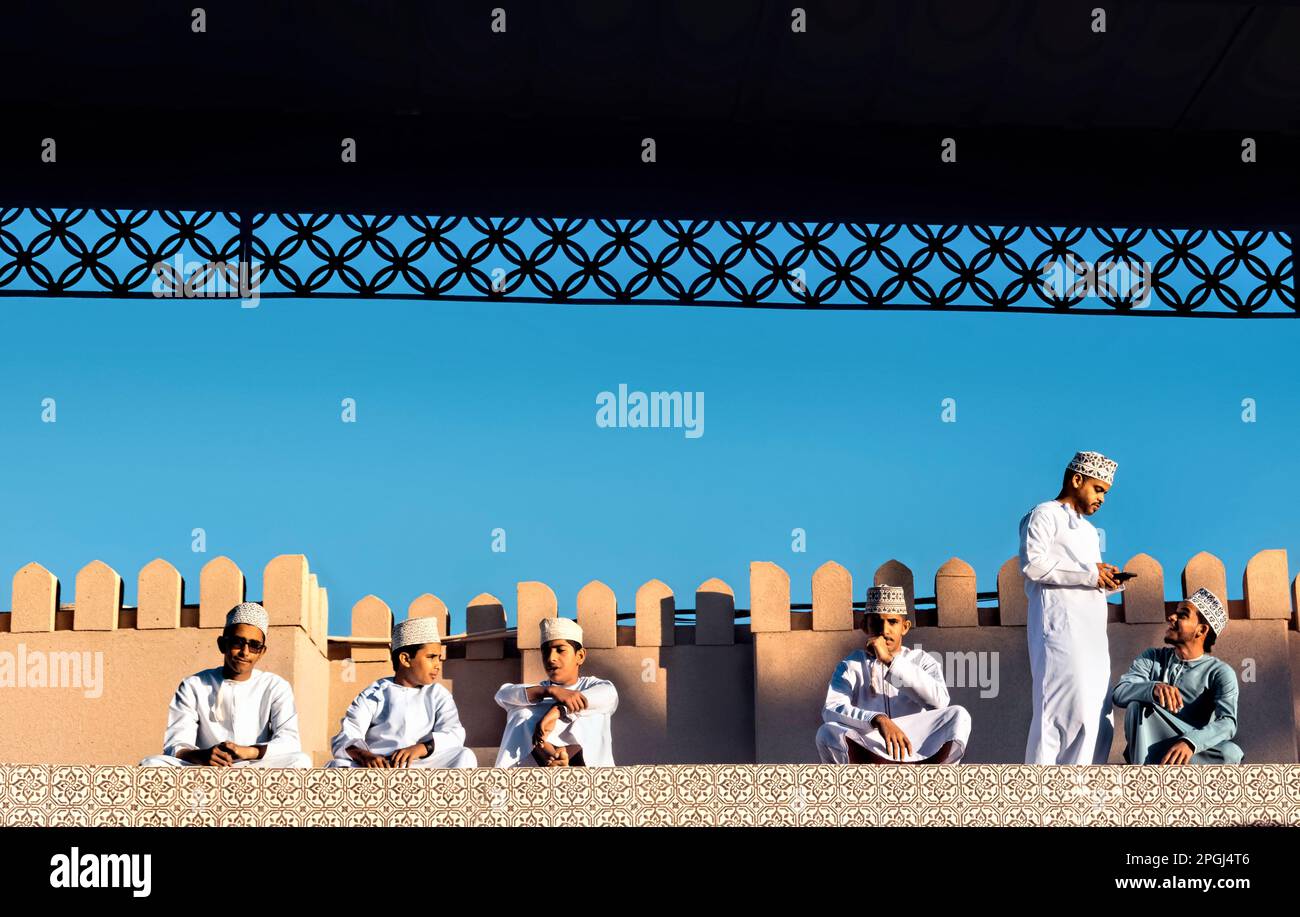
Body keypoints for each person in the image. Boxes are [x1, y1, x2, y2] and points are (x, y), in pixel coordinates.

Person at [1020, 450, 1124, 765]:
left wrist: (1105, 581)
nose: (1102, 499)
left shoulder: (1090, 532)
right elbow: (1033, 565)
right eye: (1098, 489)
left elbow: (1085, 580)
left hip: (1091, 633)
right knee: (1061, 707)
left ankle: (1084, 796)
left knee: (1095, 711)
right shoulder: (1044, 514)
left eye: (1106, 492)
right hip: (1059, 629)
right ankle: (1041, 794)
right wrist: (1091, 574)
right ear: (1076, 480)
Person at [140, 602, 311, 768]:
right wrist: (204, 756)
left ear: (262, 652)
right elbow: (175, 745)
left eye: (254, 645)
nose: (245, 652)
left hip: (256, 768)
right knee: (151, 764)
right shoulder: (194, 685)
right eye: (238, 642)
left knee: (300, 760)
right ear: (222, 644)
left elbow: (290, 742)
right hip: (205, 769)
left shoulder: (275, 686)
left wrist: (246, 752)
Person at [816, 584, 970, 764]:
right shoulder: (851, 664)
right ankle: (873, 768)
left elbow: (939, 702)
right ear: (865, 626)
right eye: (876, 622)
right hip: (871, 743)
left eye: (892, 622)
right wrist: (877, 719)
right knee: (827, 732)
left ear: (905, 627)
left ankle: (932, 773)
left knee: (959, 715)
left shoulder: (921, 660)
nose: (884, 629)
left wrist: (890, 661)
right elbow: (831, 709)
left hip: (915, 743)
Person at [1112, 587, 1242, 764]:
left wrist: (1191, 742)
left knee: (1230, 753)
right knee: (1138, 705)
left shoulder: (1219, 672)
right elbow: (1120, 692)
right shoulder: (1153, 658)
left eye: (1182, 615)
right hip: (1150, 745)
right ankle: (1143, 778)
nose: (1171, 617)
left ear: (1201, 630)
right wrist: (1152, 688)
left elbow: (1227, 723)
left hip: (1192, 750)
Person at [328, 615, 476, 768]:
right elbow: (346, 736)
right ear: (405, 659)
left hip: (424, 764)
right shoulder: (375, 693)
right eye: (431, 657)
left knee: (464, 755)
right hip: (380, 767)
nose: (438, 665)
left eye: (439, 657)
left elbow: (454, 733)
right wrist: (366, 756)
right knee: (337, 765)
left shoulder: (438, 694)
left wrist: (421, 748)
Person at [493, 617, 618, 767]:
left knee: (594, 714)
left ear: (580, 656)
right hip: (538, 763)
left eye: (560, 650)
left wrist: (558, 711)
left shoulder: (593, 686)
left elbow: (608, 695)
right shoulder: (541, 691)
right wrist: (550, 690)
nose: (551, 658)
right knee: (521, 713)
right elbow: (503, 695)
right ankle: (554, 756)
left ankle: (562, 754)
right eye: (546, 652)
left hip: (585, 767)